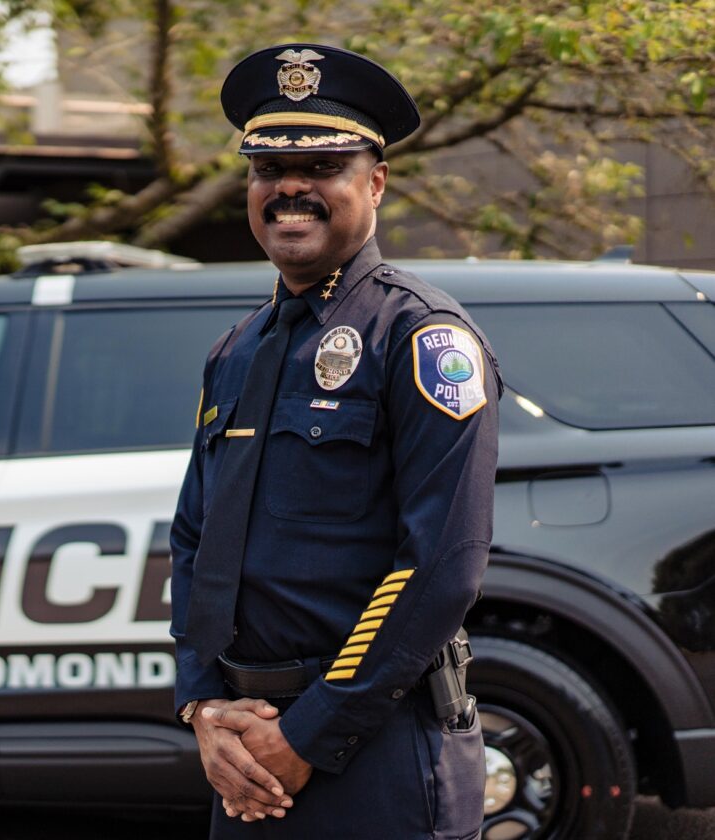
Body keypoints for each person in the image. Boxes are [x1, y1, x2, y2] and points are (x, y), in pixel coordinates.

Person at [170, 43, 501, 839]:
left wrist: (308, 735)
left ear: (375, 183)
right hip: (246, 752)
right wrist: (202, 703)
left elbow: (440, 565)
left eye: (322, 166)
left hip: (375, 749)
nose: (290, 188)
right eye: (268, 169)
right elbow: (194, 541)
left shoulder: (421, 336)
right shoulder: (235, 350)